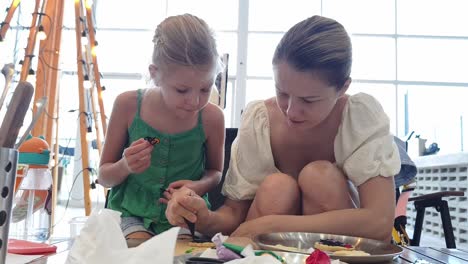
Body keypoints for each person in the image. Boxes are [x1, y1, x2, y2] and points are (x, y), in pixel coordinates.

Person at [165, 15, 401, 242]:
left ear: (342, 89)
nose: (291, 111)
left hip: (336, 250)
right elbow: (234, 214)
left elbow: (379, 223)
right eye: (283, 93)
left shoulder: (359, 115)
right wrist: (203, 217)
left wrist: (274, 225)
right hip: (264, 253)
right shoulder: (260, 119)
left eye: (308, 100)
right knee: (277, 186)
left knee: (319, 177)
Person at [98, 14, 225, 239]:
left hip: (184, 213)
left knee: (181, 252)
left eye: (205, 89)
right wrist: (126, 165)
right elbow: (104, 177)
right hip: (130, 212)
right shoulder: (127, 105)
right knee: (138, 247)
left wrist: (198, 186)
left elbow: (215, 172)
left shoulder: (212, 118)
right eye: (182, 90)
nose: (195, 101)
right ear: (155, 74)